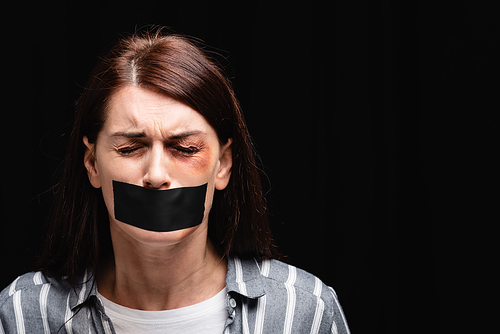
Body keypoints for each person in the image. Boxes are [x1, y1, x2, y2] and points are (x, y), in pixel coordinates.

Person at [0, 29, 350, 334]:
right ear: (91, 163)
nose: (156, 175)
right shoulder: (21, 314)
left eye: (184, 149)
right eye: (130, 148)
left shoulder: (304, 311)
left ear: (223, 165)